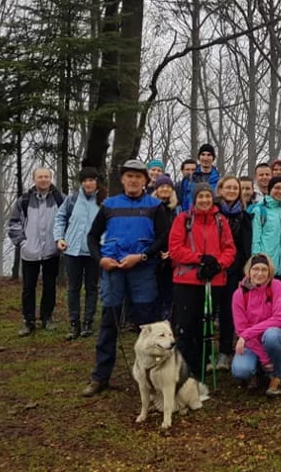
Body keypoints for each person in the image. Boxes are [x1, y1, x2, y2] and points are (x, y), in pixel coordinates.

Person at [82, 160, 170, 396]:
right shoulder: (109, 205)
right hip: (113, 271)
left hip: (143, 270)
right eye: (129, 176)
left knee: (149, 327)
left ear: (145, 181)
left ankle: (154, 378)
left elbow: (164, 237)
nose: (133, 180)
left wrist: (142, 256)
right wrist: (100, 259)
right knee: (109, 324)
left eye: (138, 177)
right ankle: (100, 377)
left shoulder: (155, 206)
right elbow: (92, 237)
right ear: (122, 179)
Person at [168, 183, 237, 379]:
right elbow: (175, 248)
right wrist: (200, 259)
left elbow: (229, 249)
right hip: (186, 280)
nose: (205, 200)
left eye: (208, 196)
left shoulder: (220, 221)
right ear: (195, 199)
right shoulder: (184, 219)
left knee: (204, 328)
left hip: (212, 280)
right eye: (201, 197)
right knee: (185, 327)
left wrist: (217, 264)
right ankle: (183, 371)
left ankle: (200, 371)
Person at [8, 166, 65, 336]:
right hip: (30, 252)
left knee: (50, 286)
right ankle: (28, 321)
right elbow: (14, 223)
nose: (43, 179)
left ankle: (47, 318)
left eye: (46, 176)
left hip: (51, 250)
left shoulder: (60, 199)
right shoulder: (24, 200)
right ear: (34, 179)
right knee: (28, 288)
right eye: (40, 177)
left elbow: (68, 220)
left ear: (50, 178)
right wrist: (22, 243)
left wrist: (61, 240)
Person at [53, 167, 104, 340]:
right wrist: (59, 238)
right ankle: (74, 323)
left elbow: (110, 224)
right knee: (73, 288)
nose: (88, 183)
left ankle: (88, 322)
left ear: (97, 182)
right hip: (72, 250)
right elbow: (60, 218)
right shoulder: (72, 199)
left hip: (94, 252)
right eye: (85, 180)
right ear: (81, 183)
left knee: (92, 287)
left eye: (91, 180)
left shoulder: (104, 201)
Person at [231, 253, 281, 396]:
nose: (260, 273)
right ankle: (258, 370)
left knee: (271, 334)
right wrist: (264, 358)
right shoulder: (239, 294)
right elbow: (241, 329)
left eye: (264, 270)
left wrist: (246, 334)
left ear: (270, 272)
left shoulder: (276, 286)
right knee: (240, 371)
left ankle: (278, 376)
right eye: (256, 269)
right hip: (251, 342)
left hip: (277, 339)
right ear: (249, 271)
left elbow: (279, 319)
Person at [215, 175, 253, 372]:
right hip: (213, 267)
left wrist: (244, 271)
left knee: (228, 311)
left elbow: (246, 246)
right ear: (220, 190)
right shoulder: (212, 212)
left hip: (234, 270)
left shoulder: (244, 217)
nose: (231, 191)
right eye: (227, 187)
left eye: (235, 188)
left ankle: (225, 351)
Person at [250, 176, 281, 321]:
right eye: (277, 188)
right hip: (266, 266)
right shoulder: (260, 210)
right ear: (270, 189)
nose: (280, 191)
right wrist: (257, 262)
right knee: (264, 301)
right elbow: (256, 238)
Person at [152, 174, 180, 320]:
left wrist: (171, 251)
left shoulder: (177, 210)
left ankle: (167, 319)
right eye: (162, 186)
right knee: (154, 291)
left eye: (168, 187)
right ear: (156, 189)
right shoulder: (150, 208)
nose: (165, 189)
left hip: (172, 255)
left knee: (169, 290)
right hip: (153, 254)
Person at [179, 144, 221, 212]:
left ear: (213, 158)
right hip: (191, 216)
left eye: (209, 155)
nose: (205, 158)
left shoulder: (219, 181)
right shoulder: (189, 180)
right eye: (203, 154)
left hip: (211, 217)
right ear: (199, 157)